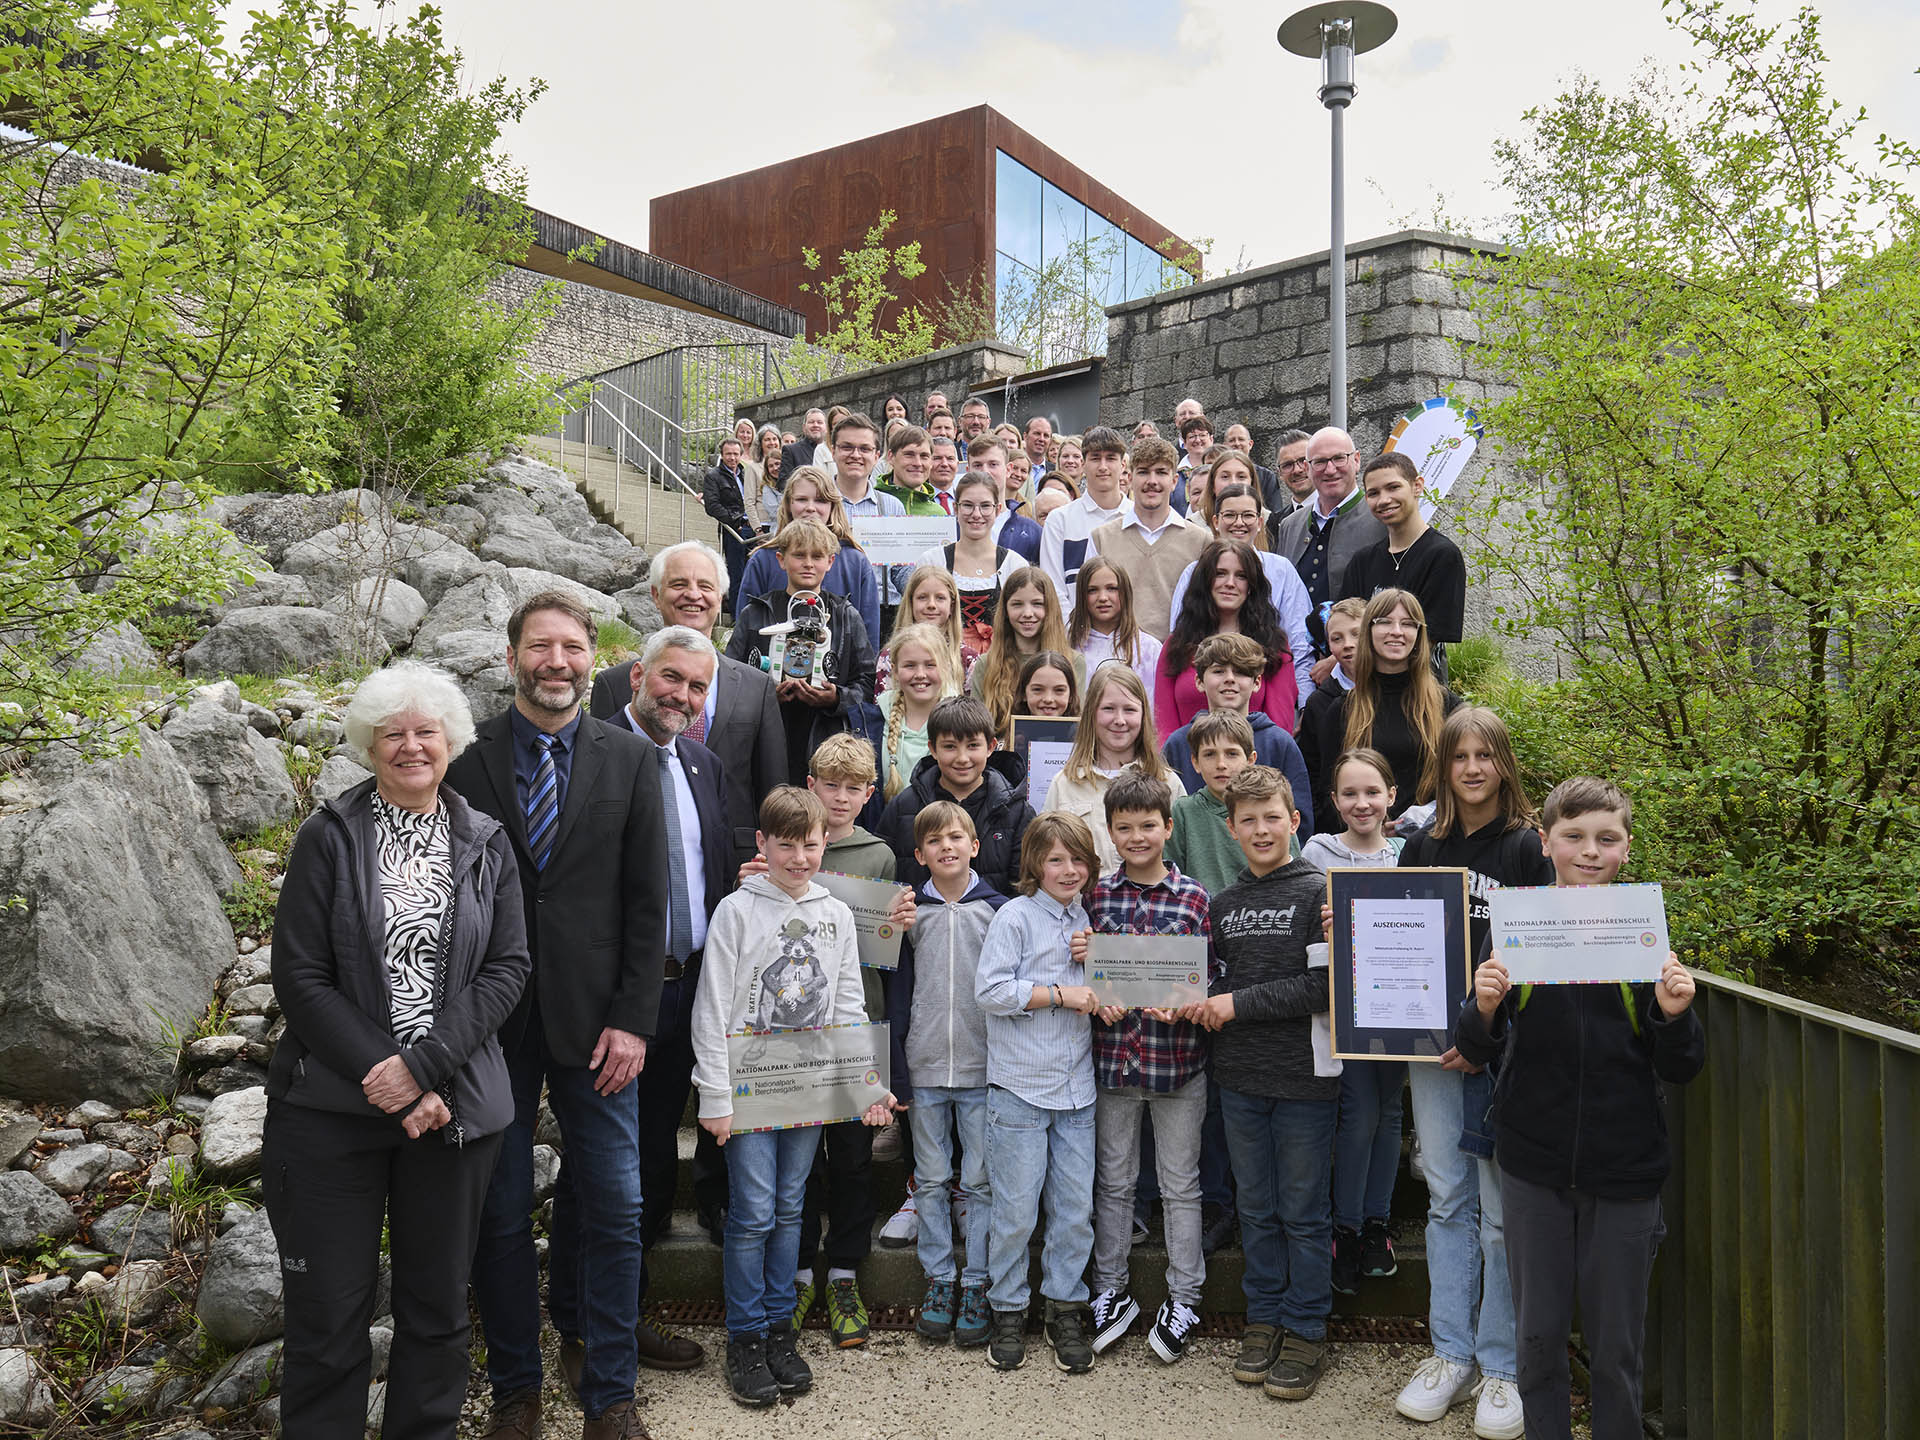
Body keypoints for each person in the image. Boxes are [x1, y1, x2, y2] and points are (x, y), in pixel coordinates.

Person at [267, 662, 529, 1440]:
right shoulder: (328, 837)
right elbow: (301, 975)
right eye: (393, 734)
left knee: (438, 1310)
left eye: (426, 732)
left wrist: (422, 1068)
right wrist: (391, 1076)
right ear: (368, 745)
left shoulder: (486, 841)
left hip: (452, 1108)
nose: (411, 746)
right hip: (330, 1112)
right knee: (327, 1318)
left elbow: (508, 967)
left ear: (451, 742)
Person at [448, 593, 667, 1440]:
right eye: (540, 647)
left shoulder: (630, 759)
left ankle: (610, 1396)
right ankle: (517, 1391)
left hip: (601, 1027)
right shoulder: (466, 758)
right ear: (512, 659)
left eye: (573, 648)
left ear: (592, 659)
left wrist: (634, 1020)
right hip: (490, 1028)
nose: (558, 662)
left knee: (615, 1208)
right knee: (499, 1213)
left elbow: (647, 902)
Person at [1457, 777, 1704, 1440]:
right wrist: (1484, 1006)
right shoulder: (1515, 928)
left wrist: (1675, 1015)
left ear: (1627, 847)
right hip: (1532, 1165)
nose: (1590, 851)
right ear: (1545, 842)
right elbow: (1473, 1048)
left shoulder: (1644, 934)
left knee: (1617, 1348)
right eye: (1573, 836)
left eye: (1606, 838)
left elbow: (1681, 1065)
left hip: (1625, 1169)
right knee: (1537, 1341)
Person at [690, 786, 898, 1406]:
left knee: (789, 1206)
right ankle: (745, 1335)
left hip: (807, 1088)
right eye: (786, 846)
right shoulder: (735, 911)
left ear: (825, 843)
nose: (799, 858)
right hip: (749, 1089)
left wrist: (866, 1084)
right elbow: (712, 1007)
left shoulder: (836, 914)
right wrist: (714, 1096)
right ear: (763, 844)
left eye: (810, 845)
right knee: (753, 1211)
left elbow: (847, 1002)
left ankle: (780, 1329)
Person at [1392, 706, 1554, 1439]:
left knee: (1499, 1211)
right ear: (1443, 766)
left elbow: (1539, 957)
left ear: (1503, 763)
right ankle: (1450, 1354)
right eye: (1460, 756)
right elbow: (1398, 943)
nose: (1472, 768)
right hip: (1432, 1049)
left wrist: (1485, 1037)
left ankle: (1502, 1366)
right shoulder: (1420, 846)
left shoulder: (1525, 847)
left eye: (1485, 755)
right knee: (1446, 1199)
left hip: (1501, 1052)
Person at [1180, 764, 1337, 1402]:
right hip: (1240, 1078)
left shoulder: (1322, 895)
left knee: (1303, 1210)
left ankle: (1306, 1327)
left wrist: (1234, 1004)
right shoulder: (1222, 905)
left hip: (1305, 1079)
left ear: (1294, 821)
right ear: (1231, 828)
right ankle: (1264, 1317)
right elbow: (1206, 981)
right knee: (1256, 1207)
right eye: (1249, 820)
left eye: (1273, 817)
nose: (1262, 829)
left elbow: (1323, 988)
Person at [600, 626, 733, 1373]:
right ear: (636, 677)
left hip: (693, 990)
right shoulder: (594, 755)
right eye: (671, 679)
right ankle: (601, 1325)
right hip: (624, 999)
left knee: (654, 1155)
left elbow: (711, 870)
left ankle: (630, 1312)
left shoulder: (702, 764)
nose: (683, 696)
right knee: (615, 1166)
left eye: (697, 686)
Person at [1077, 772, 1215, 1364]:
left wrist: (1190, 1000)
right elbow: (1082, 974)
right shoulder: (1095, 897)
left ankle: (1185, 1297)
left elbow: (1209, 977)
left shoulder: (1194, 898)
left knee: (1181, 1187)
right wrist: (1093, 991)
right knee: (1113, 1183)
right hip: (1114, 1065)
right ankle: (1109, 1290)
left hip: (1177, 1065)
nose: (1137, 837)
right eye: (1125, 827)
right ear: (1110, 833)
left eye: (1148, 826)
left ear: (1168, 827)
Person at [785, 736, 916, 1351]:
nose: (839, 798)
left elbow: (887, 950)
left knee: (853, 1156)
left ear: (869, 794)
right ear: (811, 785)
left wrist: (900, 924)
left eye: (853, 788)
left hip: (862, 1020)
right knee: (800, 1159)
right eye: (830, 785)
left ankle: (843, 1272)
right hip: (793, 1030)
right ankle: (798, 1270)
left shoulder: (879, 854)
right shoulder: (788, 846)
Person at [974, 812, 1102, 1374]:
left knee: (1073, 1211)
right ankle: (1007, 1308)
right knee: (1016, 1210)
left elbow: (1105, 989)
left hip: (1077, 1090)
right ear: (1034, 864)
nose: (1068, 870)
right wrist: (1059, 993)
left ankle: (1063, 1308)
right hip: (1020, 1088)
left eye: (1078, 860)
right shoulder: (1015, 916)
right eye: (1055, 860)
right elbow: (990, 990)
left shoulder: (1088, 920)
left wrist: (1099, 971)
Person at [590, 539, 787, 870]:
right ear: (656, 595)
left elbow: (773, 786)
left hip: (738, 863)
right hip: (638, 860)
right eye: (679, 584)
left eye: (705, 586)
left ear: (721, 597)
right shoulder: (615, 683)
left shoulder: (756, 686)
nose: (693, 595)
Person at [892, 802, 1008, 1349]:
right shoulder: (910, 915)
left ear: (974, 846)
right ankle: (940, 1278)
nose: (947, 847)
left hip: (984, 1066)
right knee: (933, 1178)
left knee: (980, 1181)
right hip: (926, 1065)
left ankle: (977, 1281)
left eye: (956, 837)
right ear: (920, 855)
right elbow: (897, 989)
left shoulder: (998, 912)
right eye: (934, 841)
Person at [1298, 748, 1407, 1299]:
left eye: (1372, 792)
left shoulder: (1408, 854)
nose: (1362, 803)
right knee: (1359, 1113)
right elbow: (1306, 923)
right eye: (1350, 793)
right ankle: (1345, 1225)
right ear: (1335, 800)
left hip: (1403, 1004)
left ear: (1392, 796)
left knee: (1389, 1113)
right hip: (1346, 1004)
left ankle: (1376, 1224)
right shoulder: (1319, 851)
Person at [724, 519, 877, 786]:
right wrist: (766, 696)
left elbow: (866, 682)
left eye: (817, 556)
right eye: (799, 555)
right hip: (765, 740)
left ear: (830, 562)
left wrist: (835, 698)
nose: (808, 563)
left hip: (826, 740)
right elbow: (730, 676)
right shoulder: (756, 614)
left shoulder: (845, 616)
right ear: (781, 560)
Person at [1300, 588, 1461, 835]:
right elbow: (1327, 794)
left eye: (1408, 623)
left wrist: (1422, 824)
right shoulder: (1342, 710)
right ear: (1369, 632)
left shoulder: (1447, 706)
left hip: (1431, 845)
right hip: (1362, 846)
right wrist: (1368, 833)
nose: (1396, 631)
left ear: (1419, 634)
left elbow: (1462, 786)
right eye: (1385, 622)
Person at [1169, 471, 1316, 702]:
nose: (1239, 523)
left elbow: (1300, 646)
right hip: (1203, 696)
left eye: (1247, 515)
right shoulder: (1194, 572)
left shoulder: (1281, 571)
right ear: (1215, 522)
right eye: (1230, 515)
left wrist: (1304, 704)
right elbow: (1179, 638)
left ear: (1260, 522)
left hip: (1267, 693)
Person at [879, 695, 1037, 899]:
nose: (962, 758)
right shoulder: (903, 807)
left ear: (991, 747)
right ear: (933, 749)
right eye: (950, 747)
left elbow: (1025, 888)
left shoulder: (1017, 812)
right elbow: (886, 883)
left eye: (973, 745)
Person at [1043, 665, 1186, 877]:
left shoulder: (1167, 781)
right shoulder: (1064, 784)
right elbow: (1047, 856)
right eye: (1108, 709)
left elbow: (1183, 855)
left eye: (1129, 710)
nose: (1119, 720)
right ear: (1091, 713)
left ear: (1143, 715)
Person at [1160, 632, 1313, 829]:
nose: (1230, 679)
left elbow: (1299, 819)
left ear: (1257, 683)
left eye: (1240, 672)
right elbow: (1163, 816)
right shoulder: (1179, 743)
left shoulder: (1278, 742)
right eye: (1218, 671)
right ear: (1199, 681)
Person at [1339, 452, 1468, 678]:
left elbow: (1428, 638)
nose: (1383, 500)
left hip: (1420, 687)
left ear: (1417, 486)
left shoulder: (1442, 556)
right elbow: (1345, 625)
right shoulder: (1362, 561)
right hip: (1364, 685)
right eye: (1373, 493)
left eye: (1393, 487)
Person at [1270, 426, 1388, 671]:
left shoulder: (1381, 520)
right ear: (1309, 467)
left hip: (1364, 667)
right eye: (1320, 462)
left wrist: (1336, 660)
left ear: (1356, 460)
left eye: (1339, 458)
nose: (1330, 469)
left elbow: (1391, 603)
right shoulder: (1290, 525)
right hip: (1298, 664)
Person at [1158, 539, 1298, 736]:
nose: (1230, 583)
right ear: (1205, 581)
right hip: (1184, 753)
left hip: (1254, 754)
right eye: (1220, 574)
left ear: (1251, 585)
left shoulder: (1274, 645)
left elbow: (1279, 723)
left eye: (1241, 576)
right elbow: (1163, 722)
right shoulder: (1176, 645)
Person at [1084, 436, 1209, 644]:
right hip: (1116, 657)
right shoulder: (1101, 538)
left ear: (1174, 481)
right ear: (1130, 478)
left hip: (1179, 654)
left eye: (1161, 472)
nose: (1152, 481)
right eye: (1143, 472)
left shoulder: (1200, 541)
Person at [737, 466, 882, 646]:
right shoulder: (763, 560)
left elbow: (868, 635)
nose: (810, 508)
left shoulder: (855, 562)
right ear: (789, 504)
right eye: (801, 499)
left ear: (832, 505)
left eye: (820, 500)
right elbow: (745, 628)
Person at [914, 471, 1026, 652]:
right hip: (940, 661)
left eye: (985, 506)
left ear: (997, 510)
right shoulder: (932, 561)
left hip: (999, 663)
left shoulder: (1014, 565)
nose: (976, 514)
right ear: (955, 508)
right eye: (967, 505)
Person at [969, 565, 1082, 742]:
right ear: (1005, 610)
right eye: (1017, 604)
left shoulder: (1074, 661)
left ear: (1050, 608)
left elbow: (1078, 726)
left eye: (1037, 604)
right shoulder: (986, 664)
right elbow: (975, 730)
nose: (1028, 613)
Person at [1165, 710, 1257, 898]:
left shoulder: (1270, 811)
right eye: (1209, 754)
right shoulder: (1183, 812)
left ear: (1250, 760)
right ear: (1195, 762)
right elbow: (1168, 878)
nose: (1221, 764)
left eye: (1232, 754)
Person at [1040, 425, 1130, 606]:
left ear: (1123, 465)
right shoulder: (1059, 520)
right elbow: (1054, 589)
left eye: (1110, 458)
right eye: (1095, 458)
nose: (1103, 466)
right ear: (1083, 464)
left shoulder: (1138, 517)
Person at [877, 623, 964, 798]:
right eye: (910, 666)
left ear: (946, 667)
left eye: (930, 665)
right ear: (895, 671)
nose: (920, 674)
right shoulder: (873, 721)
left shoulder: (963, 721)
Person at [1070, 554, 1163, 699]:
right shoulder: (1069, 647)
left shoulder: (1150, 649)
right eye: (1092, 590)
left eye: (1112, 588)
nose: (1103, 597)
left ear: (1125, 593)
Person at [878, 565, 978, 694]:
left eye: (940, 598)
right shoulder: (889, 657)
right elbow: (883, 704)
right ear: (911, 603)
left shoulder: (968, 658)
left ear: (952, 606)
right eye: (922, 597)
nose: (931, 604)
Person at [702, 437, 755, 614]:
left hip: (754, 527)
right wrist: (734, 522)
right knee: (736, 572)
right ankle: (736, 615)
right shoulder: (713, 476)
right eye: (728, 454)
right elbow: (712, 506)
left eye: (735, 454)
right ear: (722, 455)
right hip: (734, 529)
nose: (732, 458)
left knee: (752, 571)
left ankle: (750, 613)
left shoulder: (746, 474)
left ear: (741, 455)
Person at [826, 412, 905, 526]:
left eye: (865, 449)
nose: (855, 455)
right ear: (833, 452)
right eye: (847, 447)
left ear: (876, 457)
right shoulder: (815, 504)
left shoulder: (893, 508)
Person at [974, 436, 1043, 563]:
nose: (985, 471)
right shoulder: (954, 527)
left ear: (1008, 469)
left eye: (993, 464)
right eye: (977, 465)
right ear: (968, 470)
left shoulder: (1033, 531)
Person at [1223, 421, 1283, 516]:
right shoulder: (1220, 476)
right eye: (1231, 440)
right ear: (1225, 445)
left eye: (1241, 439)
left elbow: (1276, 512)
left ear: (1250, 444)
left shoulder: (1267, 476)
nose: (1237, 443)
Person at [1014, 650, 1081, 725]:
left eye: (1059, 690)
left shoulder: (1082, 732)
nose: (1048, 699)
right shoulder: (1011, 731)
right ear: (1023, 693)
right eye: (1037, 689)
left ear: (1071, 695)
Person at [742, 424, 786, 535]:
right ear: (760, 444)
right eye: (767, 440)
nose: (772, 442)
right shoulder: (752, 468)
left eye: (774, 439)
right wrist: (757, 529)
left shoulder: (787, 464)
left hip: (784, 524)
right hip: (764, 524)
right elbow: (749, 502)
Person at [1272, 427, 1315, 513]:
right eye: (1288, 465)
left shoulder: (1339, 511)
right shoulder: (1276, 520)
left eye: (1303, 461)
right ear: (1279, 473)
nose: (1297, 470)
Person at [781, 409, 829, 476]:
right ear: (804, 428)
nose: (815, 425)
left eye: (819, 422)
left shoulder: (832, 450)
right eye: (811, 422)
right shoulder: (791, 450)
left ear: (826, 428)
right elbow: (784, 480)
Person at [1022, 415, 1053, 483]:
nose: (1041, 439)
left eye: (1046, 435)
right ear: (1025, 436)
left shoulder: (1056, 472)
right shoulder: (1012, 467)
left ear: (1050, 441)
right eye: (1037, 434)